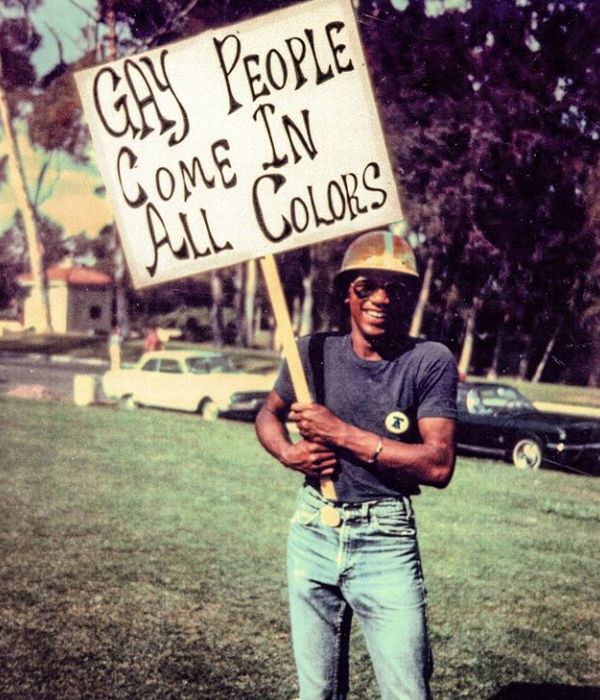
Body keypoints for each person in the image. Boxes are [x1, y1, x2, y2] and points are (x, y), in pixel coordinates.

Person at [255, 230, 458, 700]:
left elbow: (438, 465)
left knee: (407, 692)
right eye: (367, 286)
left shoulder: (429, 361)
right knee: (317, 693)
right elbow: (268, 413)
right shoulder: (311, 353)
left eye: (396, 288)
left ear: (409, 297)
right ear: (347, 291)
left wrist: (338, 432)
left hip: (385, 538)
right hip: (312, 531)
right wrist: (289, 453)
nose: (380, 299)